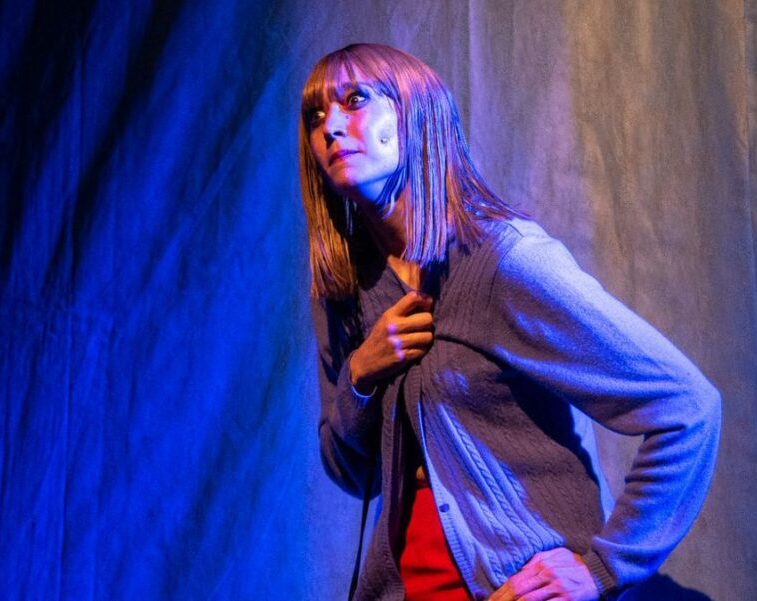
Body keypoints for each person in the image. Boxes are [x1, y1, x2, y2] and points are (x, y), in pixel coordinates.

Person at [299, 43, 721, 601]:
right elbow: (350, 472)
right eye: (315, 115)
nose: (330, 127)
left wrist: (602, 568)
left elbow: (688, 407)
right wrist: (359, 375)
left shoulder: (504, 261)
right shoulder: (348, 290)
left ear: (416, 114)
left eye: (354, 100)